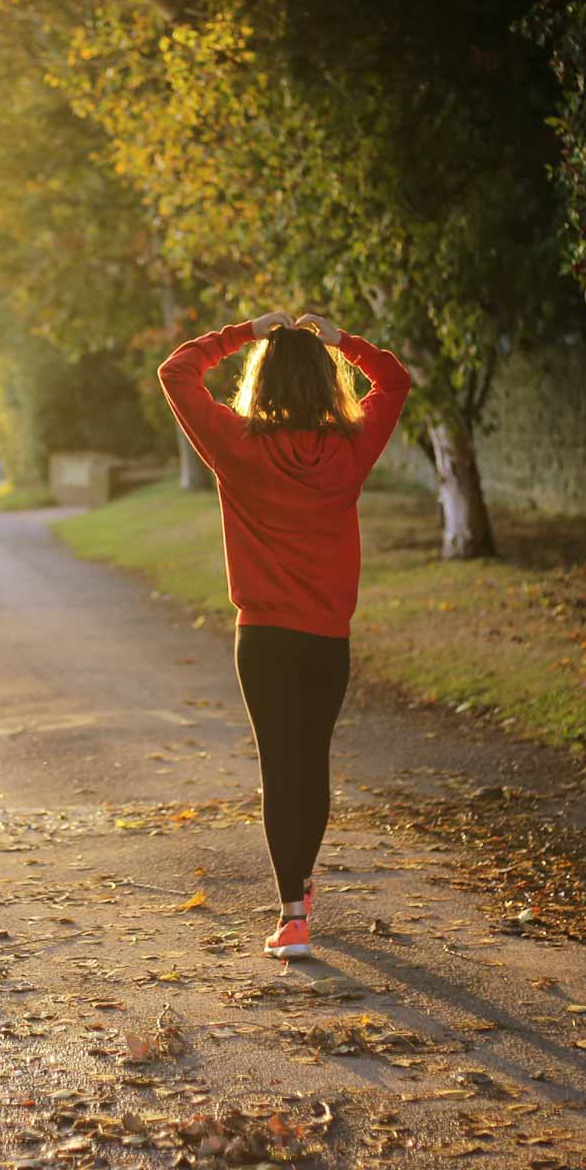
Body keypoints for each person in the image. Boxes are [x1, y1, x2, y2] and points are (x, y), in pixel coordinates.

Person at [157, 310, 411, 959]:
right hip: (326, 637)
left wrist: (245, 332)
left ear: (261, 383)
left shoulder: (235, 444)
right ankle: (299, 884)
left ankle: (293, 913)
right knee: (312, 762)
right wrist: (342, 341)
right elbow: (396, 379)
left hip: (264, 637)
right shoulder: (351, 448)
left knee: (280, 766)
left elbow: (177, 371)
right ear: (328, 384)